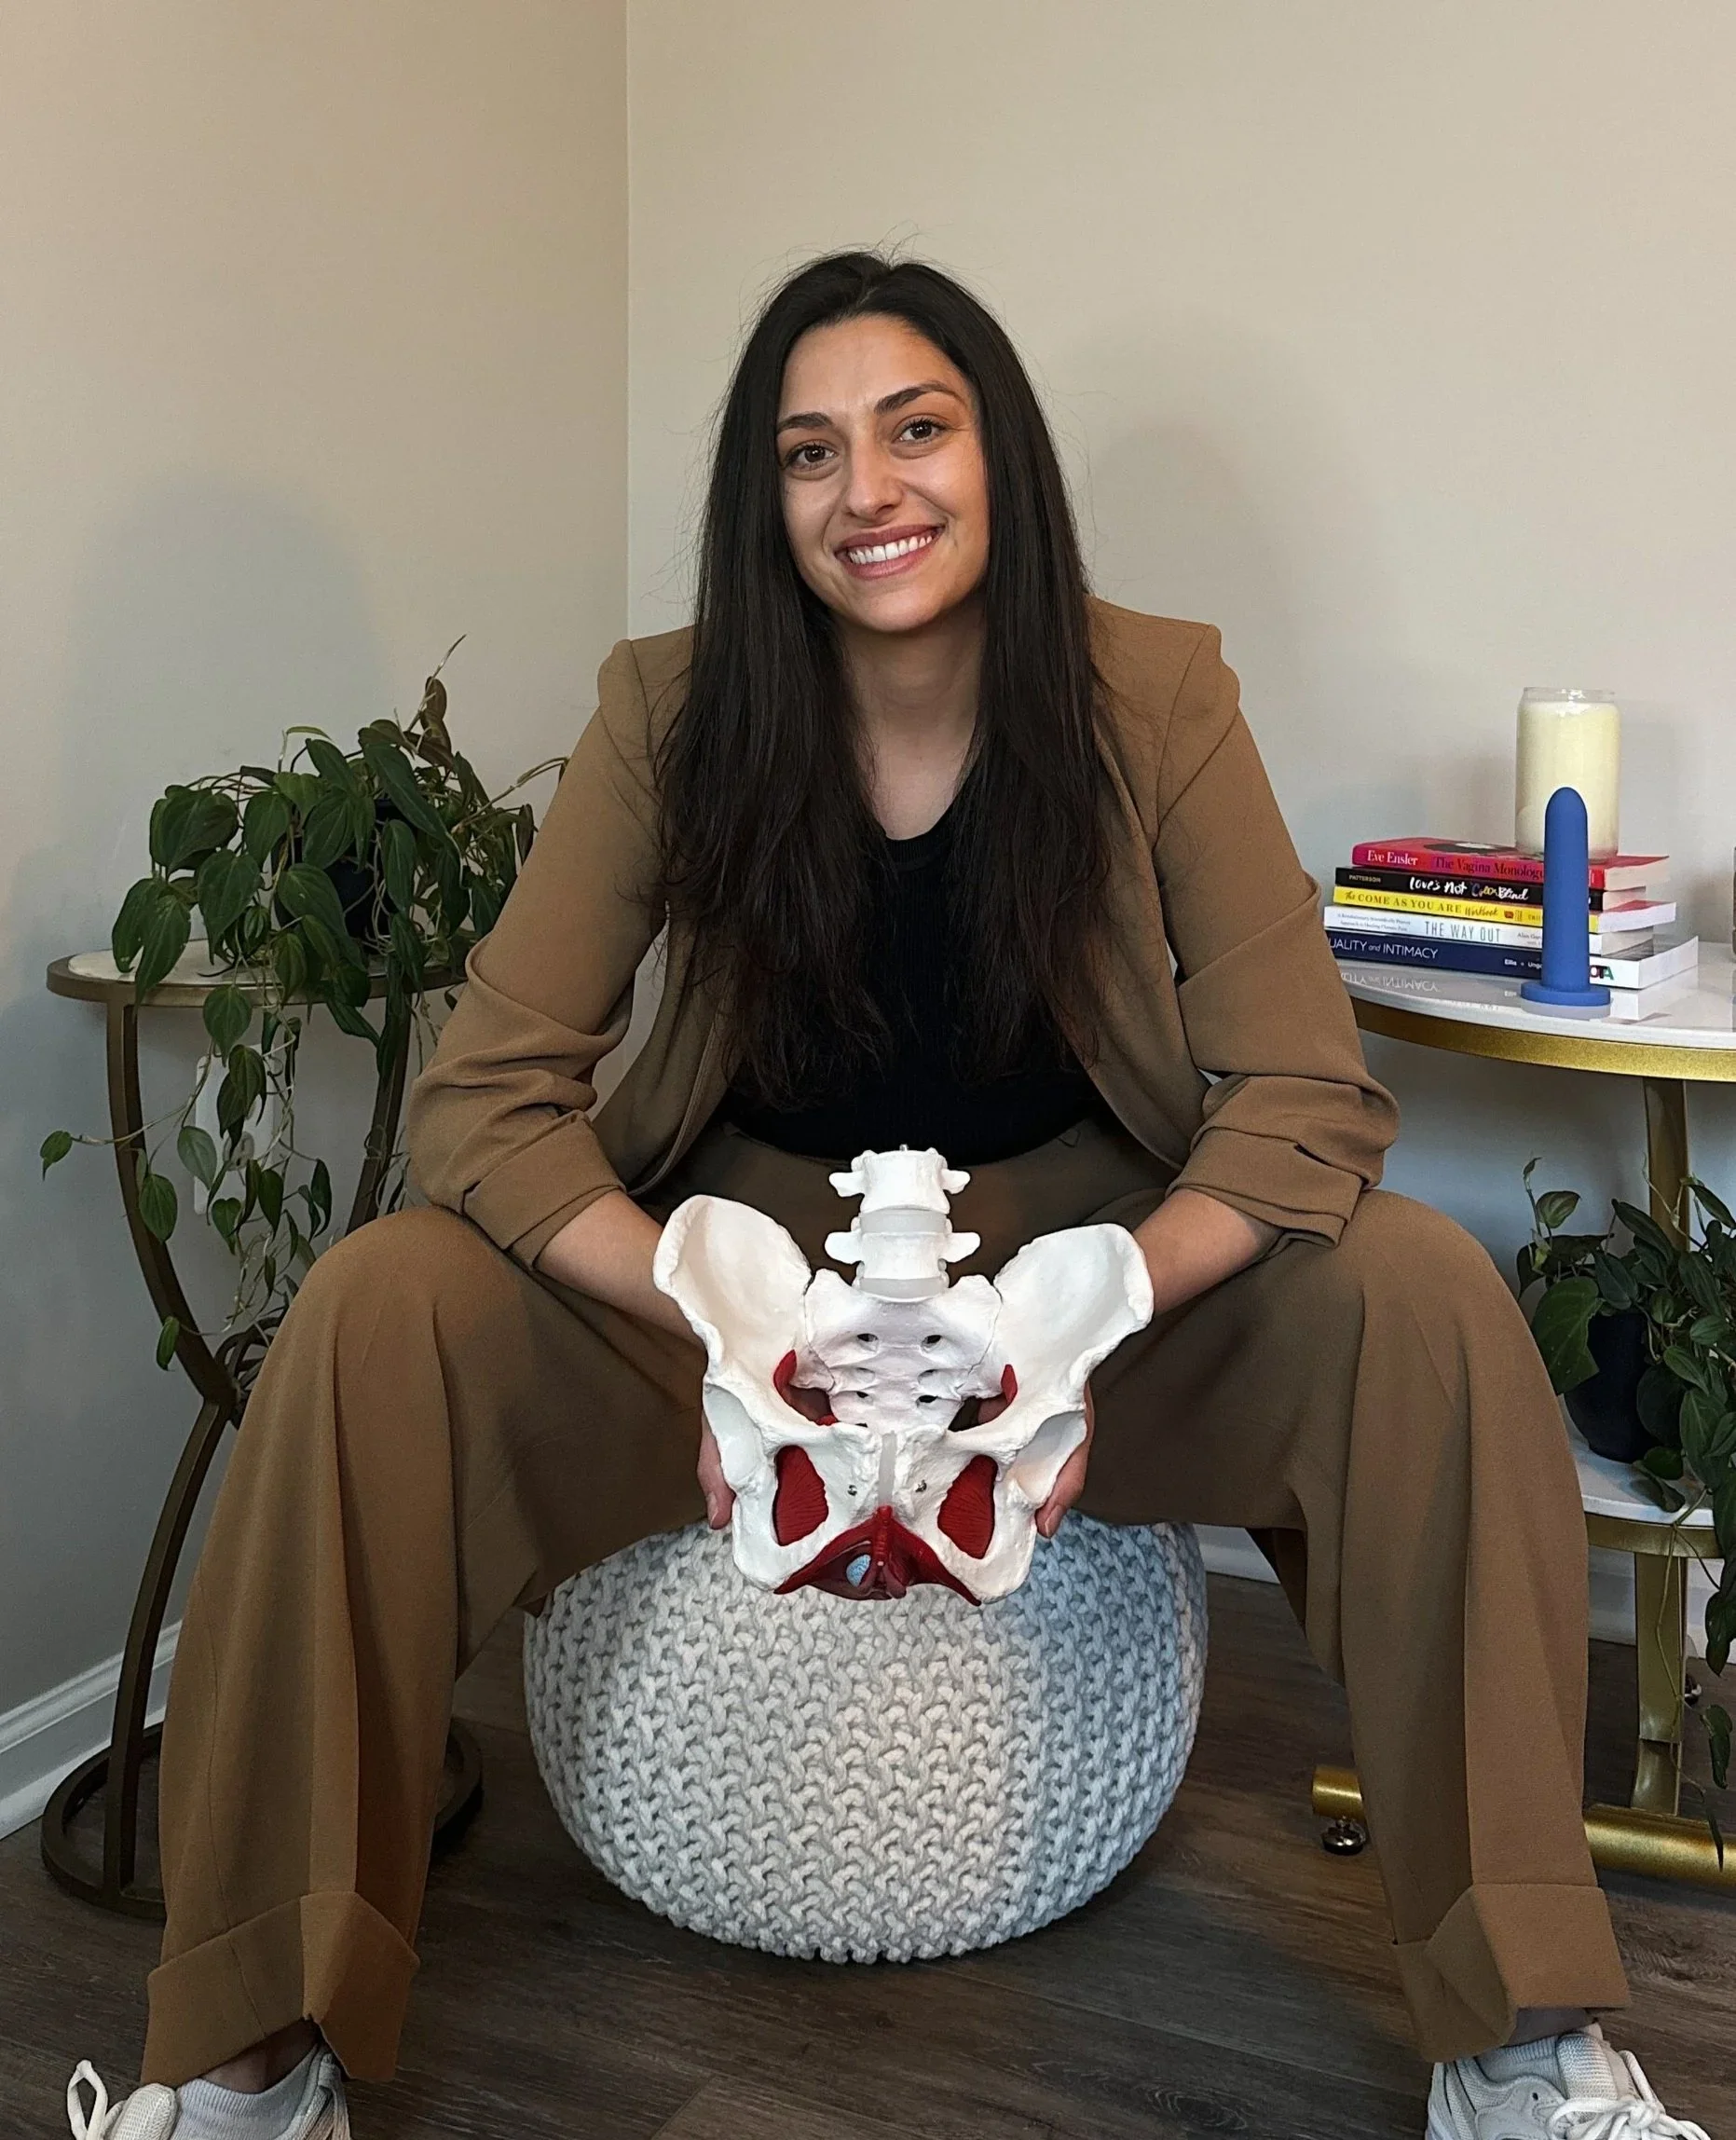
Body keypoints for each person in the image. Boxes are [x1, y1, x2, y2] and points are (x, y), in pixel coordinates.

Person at [63, 252, 1709, 2140]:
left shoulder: (1154, 696)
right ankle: (250, 2063)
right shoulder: (670, 710)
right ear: (762, 501)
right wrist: (712, 1309)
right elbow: (486, 1096)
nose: (869, 490)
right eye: (808, 451)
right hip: (746, 1270)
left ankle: (1523, 2045)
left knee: (1417, 1297)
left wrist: (1090, 1310)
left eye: (915, 428)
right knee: (374, 1310)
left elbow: (1303, 1091)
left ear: (997, 454)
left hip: (1077, 1265)